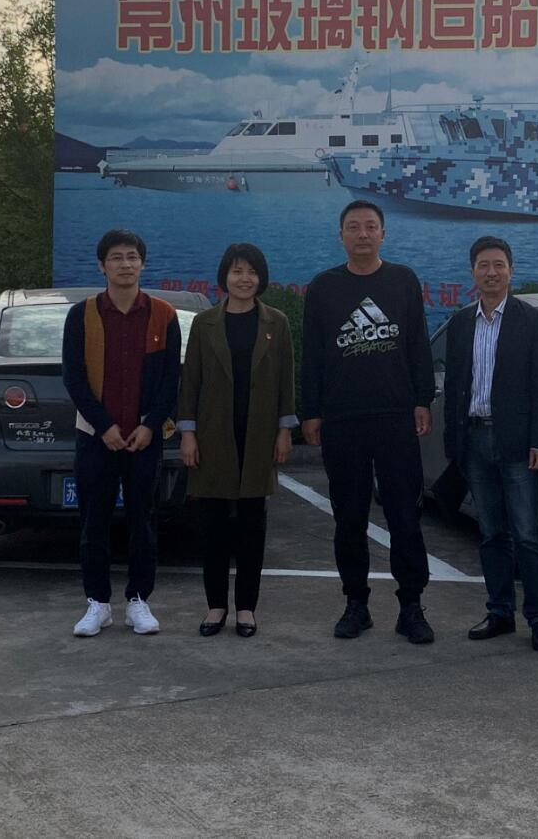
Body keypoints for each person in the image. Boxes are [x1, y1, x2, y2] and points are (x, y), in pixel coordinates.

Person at [301, 200, 438, 644]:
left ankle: (411, 606)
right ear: (340, 235)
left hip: (396, 417)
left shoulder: (402, 280)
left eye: (371, 227)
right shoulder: (324, 287)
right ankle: (355, 604)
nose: (363, 234)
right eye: (354, 227)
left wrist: (422, 399)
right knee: (349, 518)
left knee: (404, 516)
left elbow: (417, 343)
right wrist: (311, 411)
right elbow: (313, 354)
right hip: (343, 419)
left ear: (383, 233)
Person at [60, 229, 182, 637]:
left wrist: (150, 425)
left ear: (142, 264)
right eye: (116, 257)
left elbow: (170, 381)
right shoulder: (82, 315)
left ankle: (138, 600)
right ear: (102, 266)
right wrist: (104, 426)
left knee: (142, 520)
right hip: (96, 437)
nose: (125, 264)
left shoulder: (163, 315)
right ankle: (97, 603)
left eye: (132, 257)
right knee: (93, 520)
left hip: (144, 438)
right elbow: (74, 378)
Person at [441, 236, 538, 651]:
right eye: (483, 266)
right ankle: (500, 612)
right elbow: (454, 386)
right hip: (474, 439)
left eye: (499, 265)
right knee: (490, 533)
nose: (491, 273)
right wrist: (453, 443)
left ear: (511, 270)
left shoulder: (532, 320)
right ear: (472, 272)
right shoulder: (460, 323)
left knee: (527, 535)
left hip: (517, 442)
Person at [178, 243, 296, 638]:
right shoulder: (205, 323)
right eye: (236, 271)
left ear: (261, 278)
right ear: (224, 277)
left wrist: (284, 430)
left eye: (251, 271)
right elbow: (190, 381)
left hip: (259, 435)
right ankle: (216, 606)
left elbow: (286, 381)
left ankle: (246, 608)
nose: (244, 279)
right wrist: (188, 434)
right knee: (213, 525)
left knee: (252, 525)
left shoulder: (277, 323)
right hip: (213, 435)